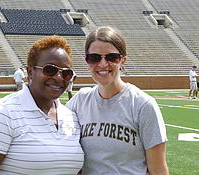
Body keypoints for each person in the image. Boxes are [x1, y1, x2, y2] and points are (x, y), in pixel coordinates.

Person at [0, 35, 84, 174]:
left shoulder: (72, 117)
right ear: (30, 72)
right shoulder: (1, 114)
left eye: (66, 73)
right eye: (49, 70)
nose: (59, 78)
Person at [66, 26, 168, 175]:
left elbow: (158, 170)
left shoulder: (143, 105)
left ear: (123, 60)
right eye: (94, 57)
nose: (102, 64)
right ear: (87, 61)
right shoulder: (79, 102)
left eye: (111, 57)